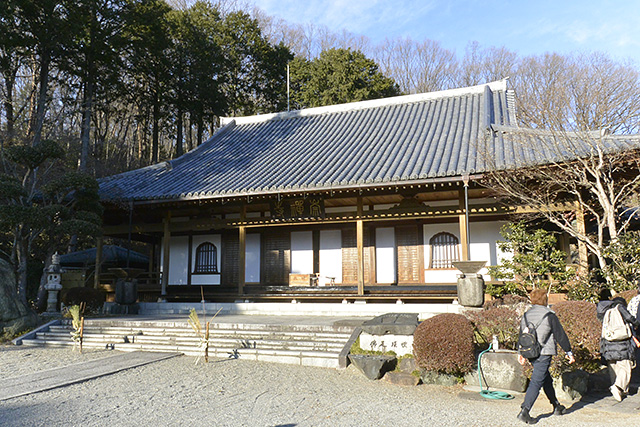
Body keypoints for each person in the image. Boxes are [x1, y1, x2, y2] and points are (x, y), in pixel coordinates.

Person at [517, 288, 575, 424]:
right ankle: (524, 411)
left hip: (530, 352)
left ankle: (556, 406)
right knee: (537, 381)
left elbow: (521, 335)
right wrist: (569, 352)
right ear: (545, 300)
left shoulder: (526, 315)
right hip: (544, 352)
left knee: (545, 379)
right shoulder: (549, 315)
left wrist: (520, 353)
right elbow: (560, 335)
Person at [597, 294, 640, 402]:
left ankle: (618, 390)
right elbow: (630, 318)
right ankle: (618, 387)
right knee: (626, 366)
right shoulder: (619, 308)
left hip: (609, 342)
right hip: (621, 342)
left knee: (614, 366)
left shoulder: (605, 311)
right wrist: (636, 323)